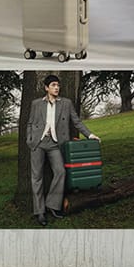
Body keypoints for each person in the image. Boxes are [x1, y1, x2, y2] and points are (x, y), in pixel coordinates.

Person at [24, 75, 100, 227]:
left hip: (55, 144)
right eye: (53, 85)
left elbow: (76, 121)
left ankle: (51, 205)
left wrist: (90, 135)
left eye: (58, 85)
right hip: (38, 143)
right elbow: (30, 122)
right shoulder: (36, 104)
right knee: (36, 177)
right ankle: (40, 212)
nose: (56, 88)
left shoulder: (66, 103)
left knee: (60, 172)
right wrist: (30, 139)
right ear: (46, 88)